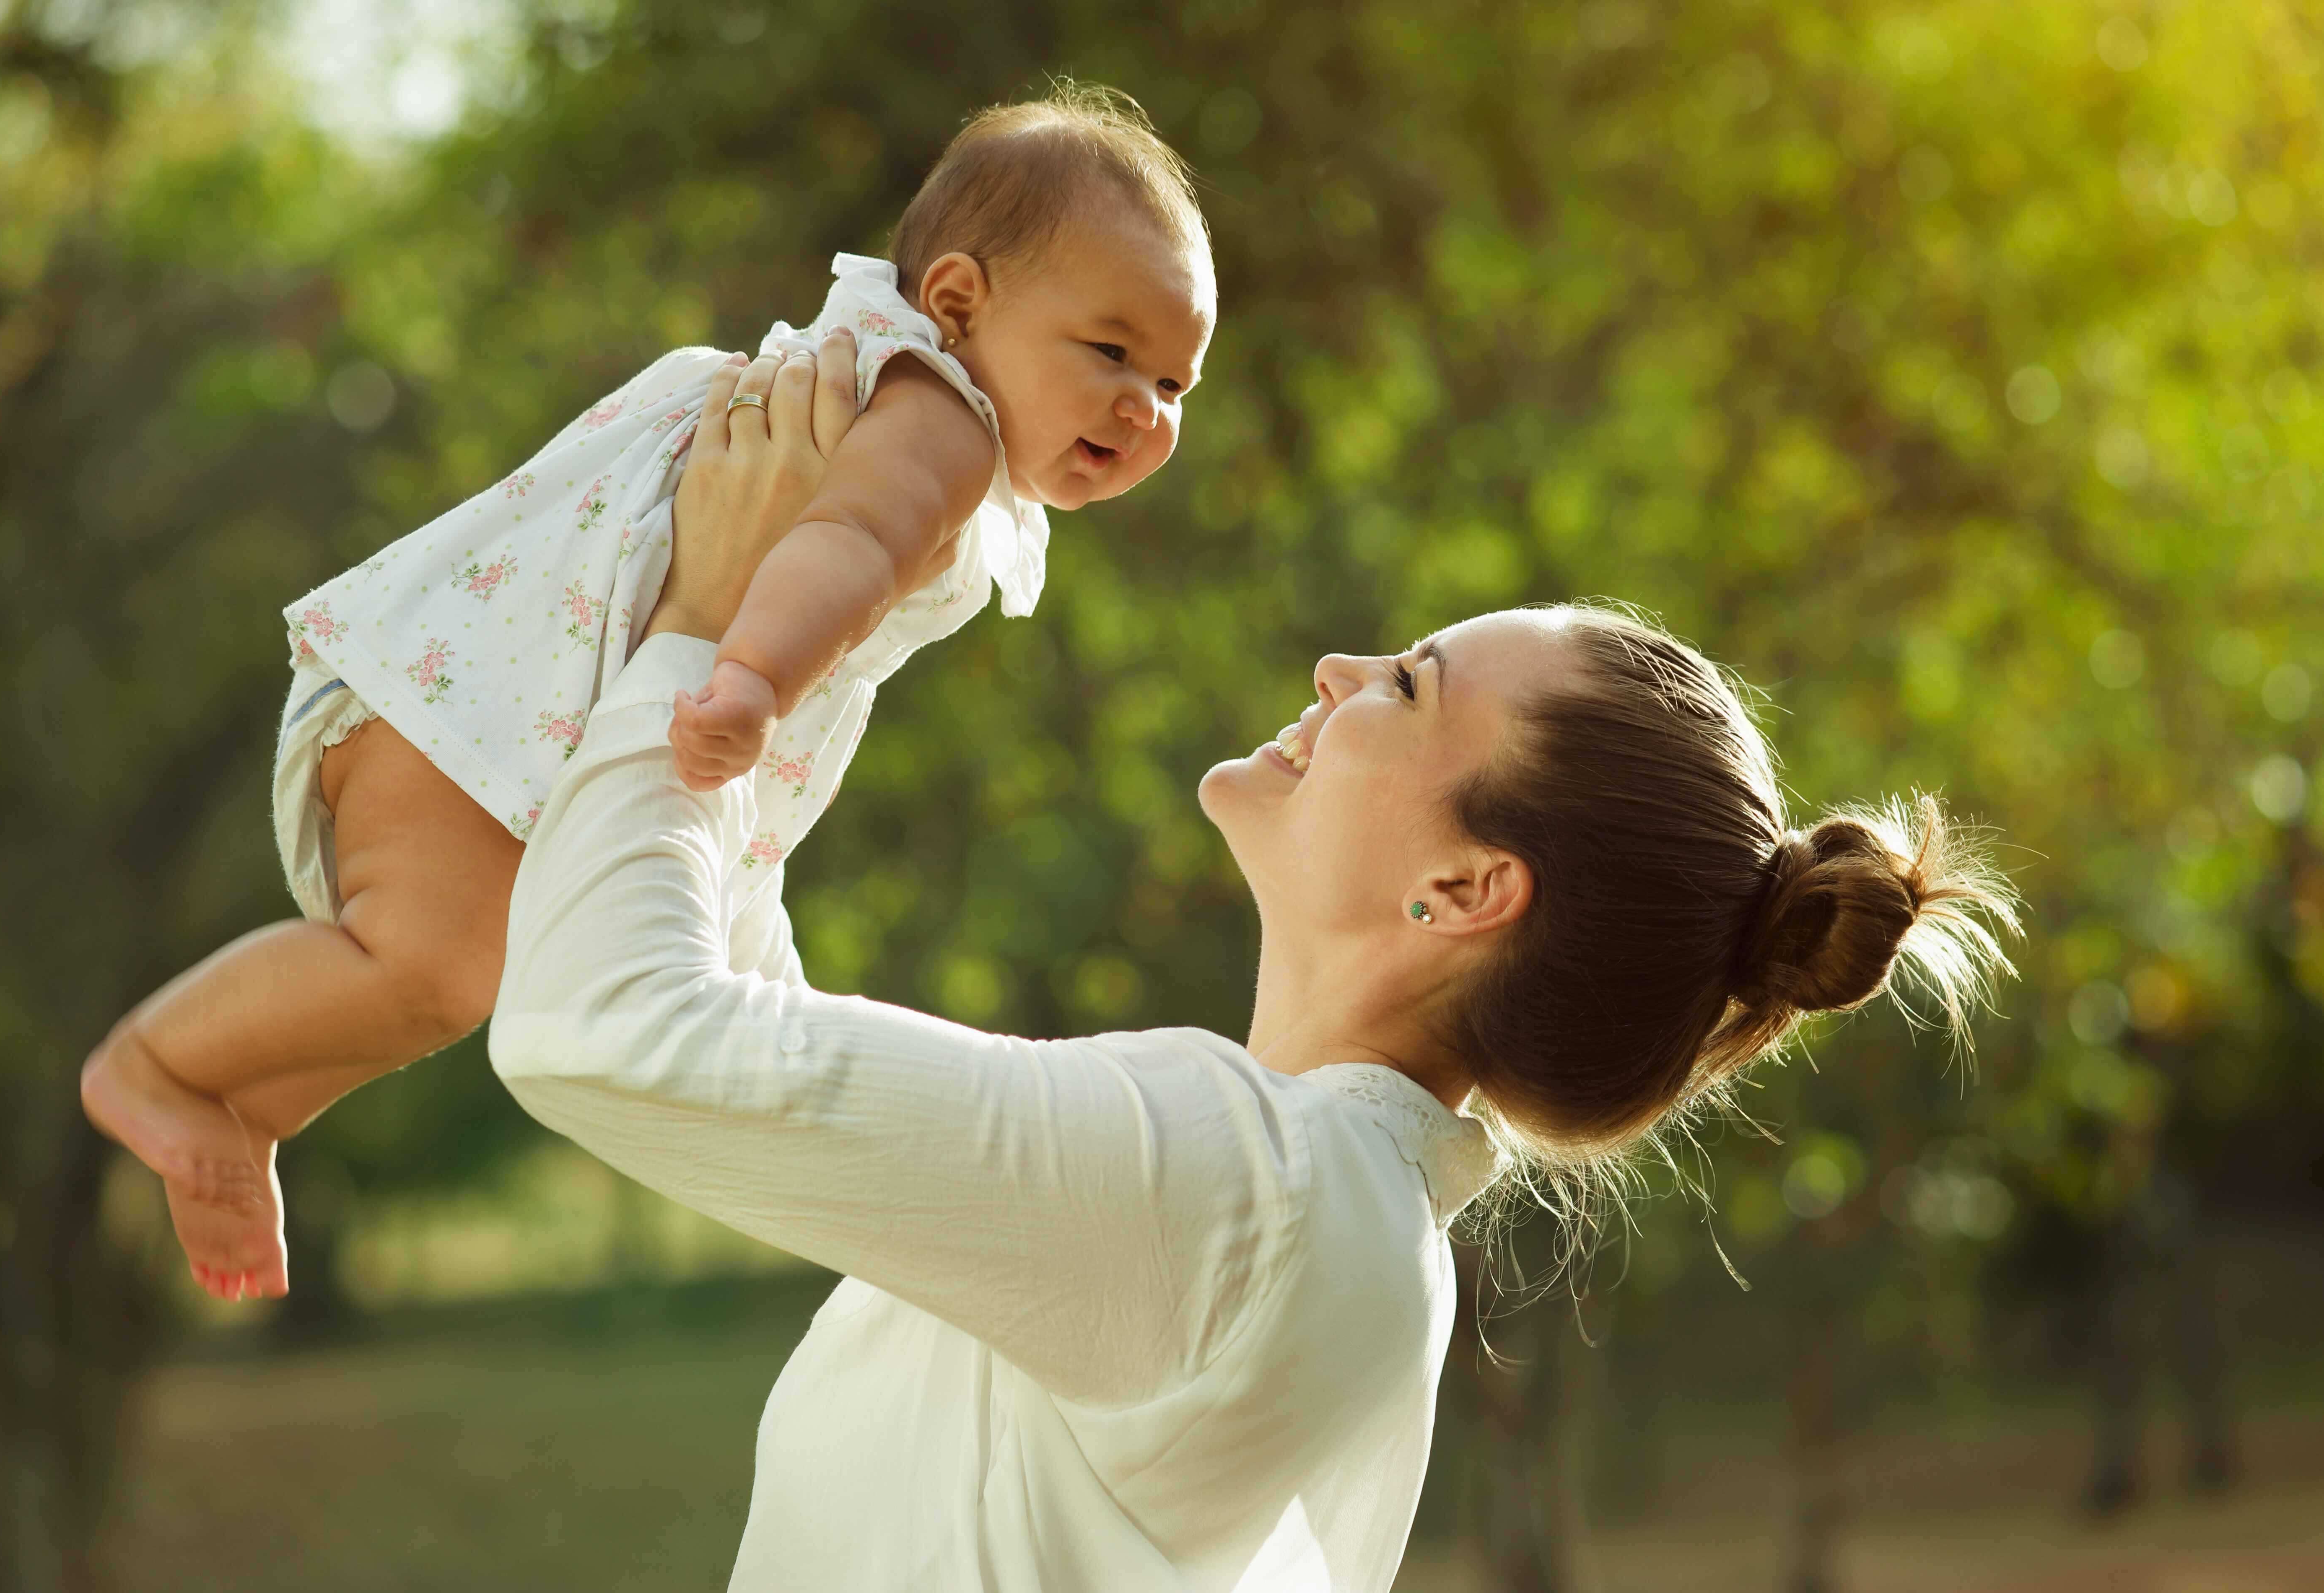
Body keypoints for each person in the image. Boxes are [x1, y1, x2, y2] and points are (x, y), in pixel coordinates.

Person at [489, 354, 2017, 1590]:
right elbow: (758, 1043)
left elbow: (605, 1026)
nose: (1337, 673)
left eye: (1407, 683)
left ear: (1465, 888)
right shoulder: (1318, 1208)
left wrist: (703, 627)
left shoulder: (1247, 1193)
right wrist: (815, 632)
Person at [79, 83, 1216, 1301]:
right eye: (1109, 352)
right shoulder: (942, 423)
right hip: (468, 713)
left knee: (441, 984)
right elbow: (845, 547)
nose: (1141, 409)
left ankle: (249, 1107)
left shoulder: (900, 391)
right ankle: (154, 1068)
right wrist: (750, 678)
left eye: (1173, 385)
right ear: (955, 300)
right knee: (424, 969)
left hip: (474, 700)